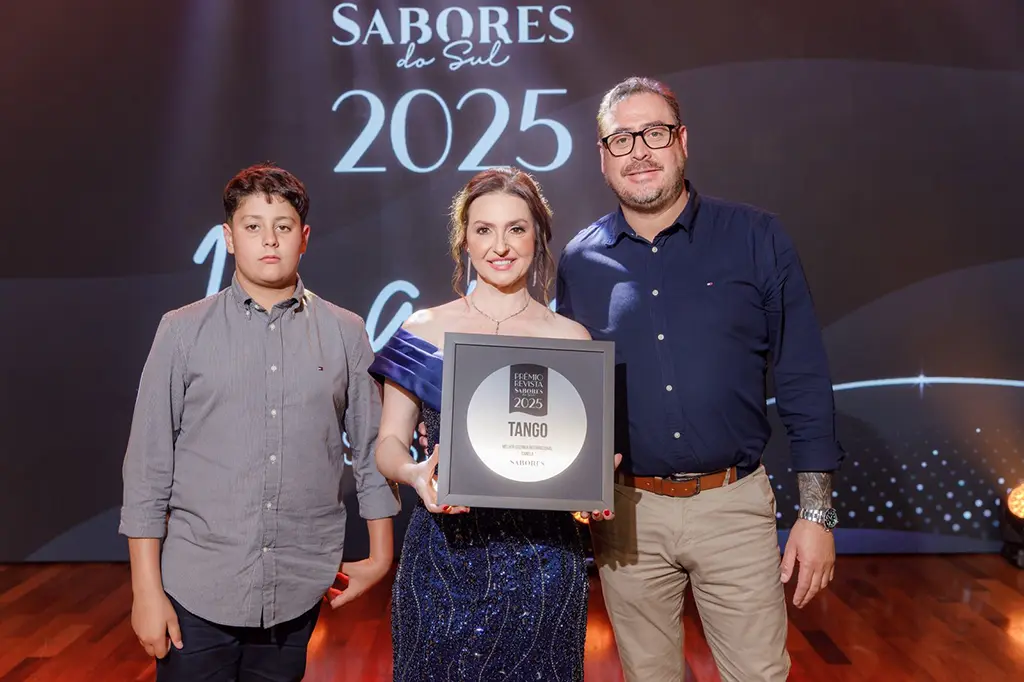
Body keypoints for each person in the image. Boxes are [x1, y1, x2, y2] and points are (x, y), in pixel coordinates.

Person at [555, 77, 845, 681]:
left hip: (733, 507)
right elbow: (570, 396)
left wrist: (816, 515)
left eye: (654, 133)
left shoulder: (756, 238)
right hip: (627, 515)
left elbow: (803, 375)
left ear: (682, 141)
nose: (639, 151)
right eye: (621, 139)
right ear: (602, 157)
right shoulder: (580, 262)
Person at [119, 163, 400, 682]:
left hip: (298, 586)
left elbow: (371, 449)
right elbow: (147, 468)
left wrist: (381, 558)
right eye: (252, 226)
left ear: (304, 237)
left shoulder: (345, 332)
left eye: (283, 226)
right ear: (229, 237)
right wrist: (145, 590)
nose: (269, 239)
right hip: (196, 588)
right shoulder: (181, 331)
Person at [371, 167, 617, 682]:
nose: (499, 246)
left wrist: (592, 488)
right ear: (464, 239)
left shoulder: (571, 339)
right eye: (484, 229)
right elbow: (389, 444)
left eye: (516, 229)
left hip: (545, 568)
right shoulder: (423, 330)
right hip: (443, 558)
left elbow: (579, 461)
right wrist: (416, 474)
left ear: (538, 236)